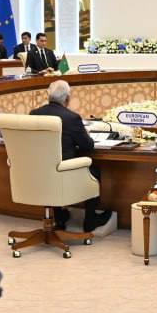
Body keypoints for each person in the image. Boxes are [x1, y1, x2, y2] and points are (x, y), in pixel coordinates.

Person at [30, 80, 112, 232]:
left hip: (39, 174)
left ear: (48, 97)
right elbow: (88, 146)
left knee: (50, 166)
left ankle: (60, 217)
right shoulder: (71, 118)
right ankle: (90, 220)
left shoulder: (34, 114)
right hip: (64, 174)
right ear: (67, 99)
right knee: (94, 171)